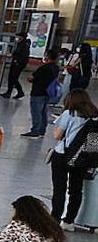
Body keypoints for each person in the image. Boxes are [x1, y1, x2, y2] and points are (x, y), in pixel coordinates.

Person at [48, 89, 97, 229]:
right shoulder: (94, 116)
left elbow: (57, 136)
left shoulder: (69, 114)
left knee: (59, 188)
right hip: (82, 157)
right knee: (76, 190)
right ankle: (69, 221)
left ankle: (55, 219)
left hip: (62, 155)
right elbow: (93, 143)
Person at [24, 49, 60, 138]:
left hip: (38, 92)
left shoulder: (43, 67)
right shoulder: (56, 67)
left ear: (47, 56)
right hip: (48, 92)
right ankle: (41, 130)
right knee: (43, 112)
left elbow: (32, 78)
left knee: (36, 111)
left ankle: (35, 130)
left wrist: (30, 79)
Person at [1, 32, 30, 99]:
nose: (16, 38)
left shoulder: (24, 45)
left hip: (18, 64)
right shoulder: (21, 44)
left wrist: (17, 62)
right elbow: (17, 52)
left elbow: (23, 55)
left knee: (13, 78)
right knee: (11, 78)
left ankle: (20, 92)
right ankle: (9, 92)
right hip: (16, 62)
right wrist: (12, 55)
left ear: (21, 37)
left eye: (17, 36)